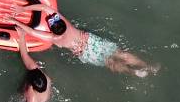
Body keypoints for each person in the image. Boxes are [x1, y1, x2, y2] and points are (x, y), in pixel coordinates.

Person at [9, 6, 160, 78]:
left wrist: (16, 19)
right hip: (93, 42)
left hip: (86, 53)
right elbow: (44, 7)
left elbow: (33, 32)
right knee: (122, 54)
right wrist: (23, 10)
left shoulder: (56, 39)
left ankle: (134, 72)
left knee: (111, 63)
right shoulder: (66, 25)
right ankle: (147, 66)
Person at [14, 27, 64, 102]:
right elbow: (24, 55)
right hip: (43, 94)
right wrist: (22, 36)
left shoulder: (32, 97)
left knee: (21, 98)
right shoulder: (44, 77)